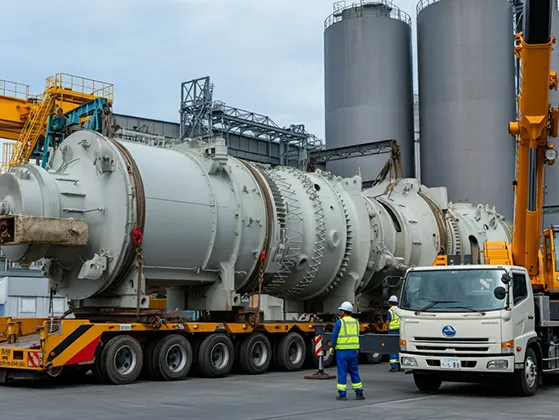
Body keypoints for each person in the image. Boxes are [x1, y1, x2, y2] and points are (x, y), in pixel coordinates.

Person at [329, 301, 365, 401]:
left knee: (342, 373)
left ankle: (342, 394)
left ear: (344, 312)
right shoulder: (356, 322)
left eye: (341, 311)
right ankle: (359, 393)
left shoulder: (339, 322)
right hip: (353, 351)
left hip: (342, 352)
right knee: (354, 372)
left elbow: (334, 336)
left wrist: (332, 347)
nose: (340, 312)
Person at [385, 295, 401, 372]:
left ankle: (394, 367)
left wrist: (386, 327)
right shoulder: (400, 310)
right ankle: (400, 366)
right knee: (399, 348)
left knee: (392, 348)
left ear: (390, 303)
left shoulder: (390, 311)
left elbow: (388, 321)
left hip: (393, 331)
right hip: (400, 330)